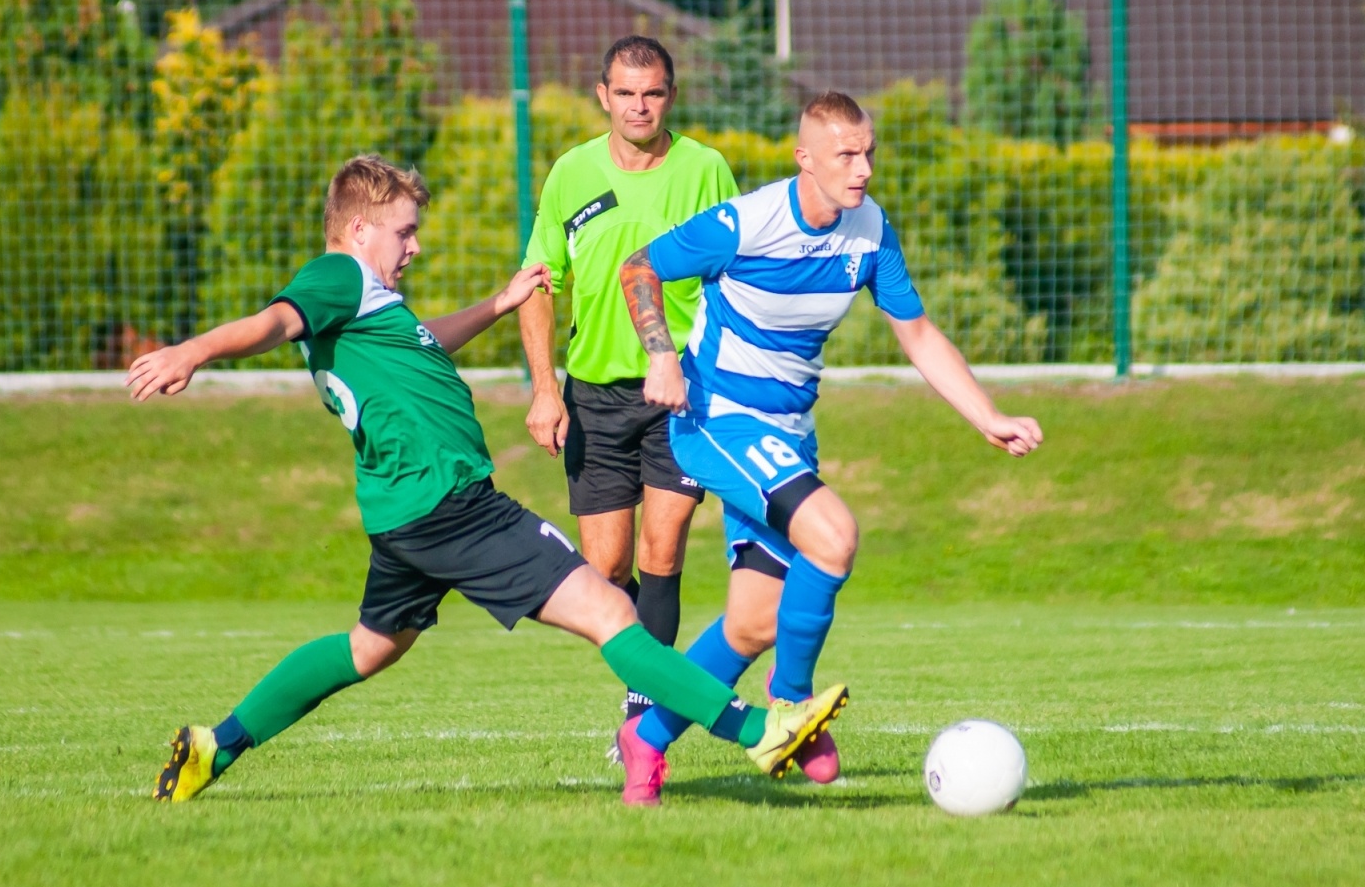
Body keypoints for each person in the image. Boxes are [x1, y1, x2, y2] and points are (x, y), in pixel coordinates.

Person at [126, 154, 846, 803]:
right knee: (611, 614)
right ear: (355, 231)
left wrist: (496, 307)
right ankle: (756, 731)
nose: (415, 246)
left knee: (368, 647)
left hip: (404, 512)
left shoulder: (364, 304)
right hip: (455, 507)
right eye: (404, 233)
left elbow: (418, 341)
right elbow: (273, 321)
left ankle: (216, 744)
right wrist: (192, 351)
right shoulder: (337, 276)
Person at [612, 92, 1044, 806]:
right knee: (834, 536)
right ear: (803, 159)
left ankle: (649, 737)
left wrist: (987, 416)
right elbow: (638, 268)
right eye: (846, 154)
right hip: (717, 416)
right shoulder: (748, 223)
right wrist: (659, 355)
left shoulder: (870, 233)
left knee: (753, 621)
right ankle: (792, 710)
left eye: (869, 151)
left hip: (788, 435)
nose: (864, 168)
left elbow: (919, 335)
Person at [518, 36, 738, 729]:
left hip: (681, 391)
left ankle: (645, 714)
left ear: (671, 96)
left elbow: (735, 275)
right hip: (596, 395)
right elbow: (539, 285)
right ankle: (649, 650)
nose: (639, 106)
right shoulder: (570, 174)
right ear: (602, 96)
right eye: (625, 93)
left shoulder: (705, 169)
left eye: (652, 93)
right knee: (607, 569)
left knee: (662, 547)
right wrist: (545, 390)